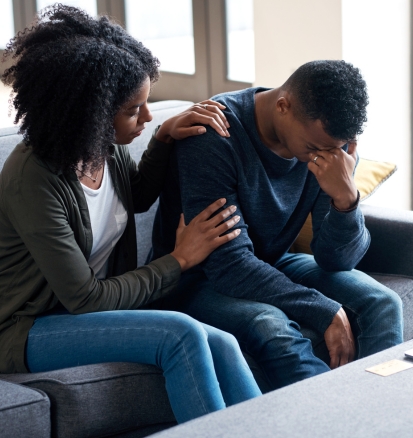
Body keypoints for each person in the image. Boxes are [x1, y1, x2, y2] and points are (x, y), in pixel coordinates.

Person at [0, 5, 262, 423]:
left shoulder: (101, 148)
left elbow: (132, 198)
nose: (146, 115)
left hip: (79, 315)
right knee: (182, 333)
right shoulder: (32, 178)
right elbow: (84, 299)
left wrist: (162, 137)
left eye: (146, 103)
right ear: (91, 114)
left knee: (225, 343)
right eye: (132, 110)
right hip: (26, 328)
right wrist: (178, 260)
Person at [150, 60, 404, 390]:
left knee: (383, 303)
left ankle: (381, 418)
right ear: (283, 106)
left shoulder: (328, 145)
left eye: (334, 149)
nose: (322, 157)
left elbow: (336, 261)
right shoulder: (214, 135)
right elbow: (229, 265)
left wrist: (346, 200)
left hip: (270, 261)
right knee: (272, 326)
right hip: (196, 277)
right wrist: (323, 310)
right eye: (313, 148)